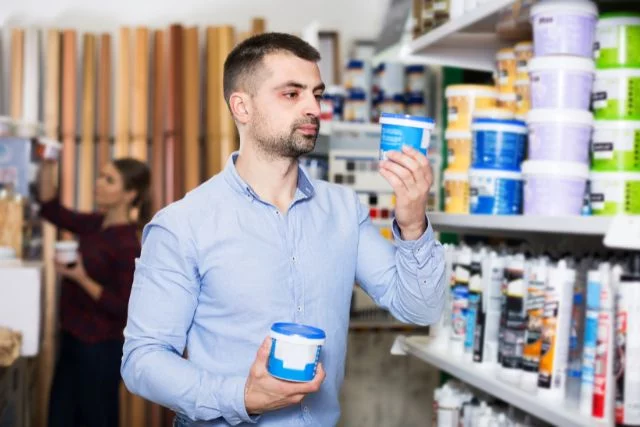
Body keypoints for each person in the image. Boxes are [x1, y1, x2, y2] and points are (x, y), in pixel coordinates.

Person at [121, 32, 445, 427]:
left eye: (317, 94)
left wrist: (412, 222)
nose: (313, 108)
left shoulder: (344, 211)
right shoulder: (183, 224)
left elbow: (420, 306)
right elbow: (143, 360)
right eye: (292, 94)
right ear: (242, 106)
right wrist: (242, 396)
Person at [39, 157, 151, 427]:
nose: (98, 183)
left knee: (96, 419)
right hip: (73, 340)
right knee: (60, 418)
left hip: (100, 348)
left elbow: (124, 307)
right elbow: (50, 210)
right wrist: (48, 161)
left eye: (109, 180)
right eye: (101, 176)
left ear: (130, 194)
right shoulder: (95, 224)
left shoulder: (127, 244)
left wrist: (80, 277)